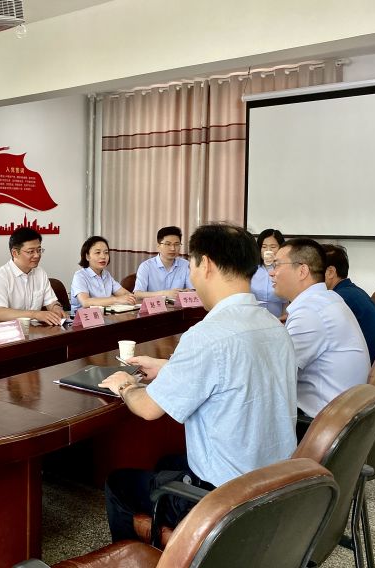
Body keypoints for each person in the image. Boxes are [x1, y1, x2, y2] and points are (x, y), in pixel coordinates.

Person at [99, 224, 297, 542]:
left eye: (191, 264)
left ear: (205, 264)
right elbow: (237, 373)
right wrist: (169, 368)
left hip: (223, 501)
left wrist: (125, 385)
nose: (190, 275)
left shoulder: (207, 334)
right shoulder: (273, 325)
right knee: (167, 462)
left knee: (119, 484)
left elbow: (148, 408)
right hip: (275, 484)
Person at [270, 238, 370, 419]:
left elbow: (275, 374)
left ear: (302, 271)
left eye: (276, 265)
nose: (271, 273)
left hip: (322, 422)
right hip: (346, 415)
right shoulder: (328, 299)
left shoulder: (310, 312)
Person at [322, 244, 375, 363]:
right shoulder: (351, 291)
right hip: (373, 364)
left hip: (367, 368)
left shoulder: (338, 299)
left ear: (330, 272)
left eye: (314, 271)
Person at [0, 227, 65, 325]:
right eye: (31, 251)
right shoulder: (0, 276)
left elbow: (51, 302)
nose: (37, 255)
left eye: (39, 250)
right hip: (5, 331)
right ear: (15, 253)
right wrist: (35, 314)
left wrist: (56, 308)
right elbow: (0, 314)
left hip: (33, 330)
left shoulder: (40, 273)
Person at [70, 236, 136, 312]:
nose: (103, 256)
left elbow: (124, 294)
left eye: (106, 253)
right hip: (83, 317)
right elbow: (85, 302)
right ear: (87, 256)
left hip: (105, 316)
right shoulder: (80, 276)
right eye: (98, 252)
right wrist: (116, 299)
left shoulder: (106, 274)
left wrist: (130, 297)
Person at [132, 226, 192, 301]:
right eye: (168, 244)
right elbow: (137, 294)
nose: (173, 248)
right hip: (155, 307)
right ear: (158, 246)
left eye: (176, 244)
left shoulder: (186, 265)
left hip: (178, 307)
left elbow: (192, 290)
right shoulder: (146, 266)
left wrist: (188, 292)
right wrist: (164, 294)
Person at [251, 228, 287, 318]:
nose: (268, 250)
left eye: (273, 247)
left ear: (281, 248)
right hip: (254, 318)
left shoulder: (286, 270)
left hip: (277, 319)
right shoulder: (251, 269)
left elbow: (286, 301)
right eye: (264, 247)